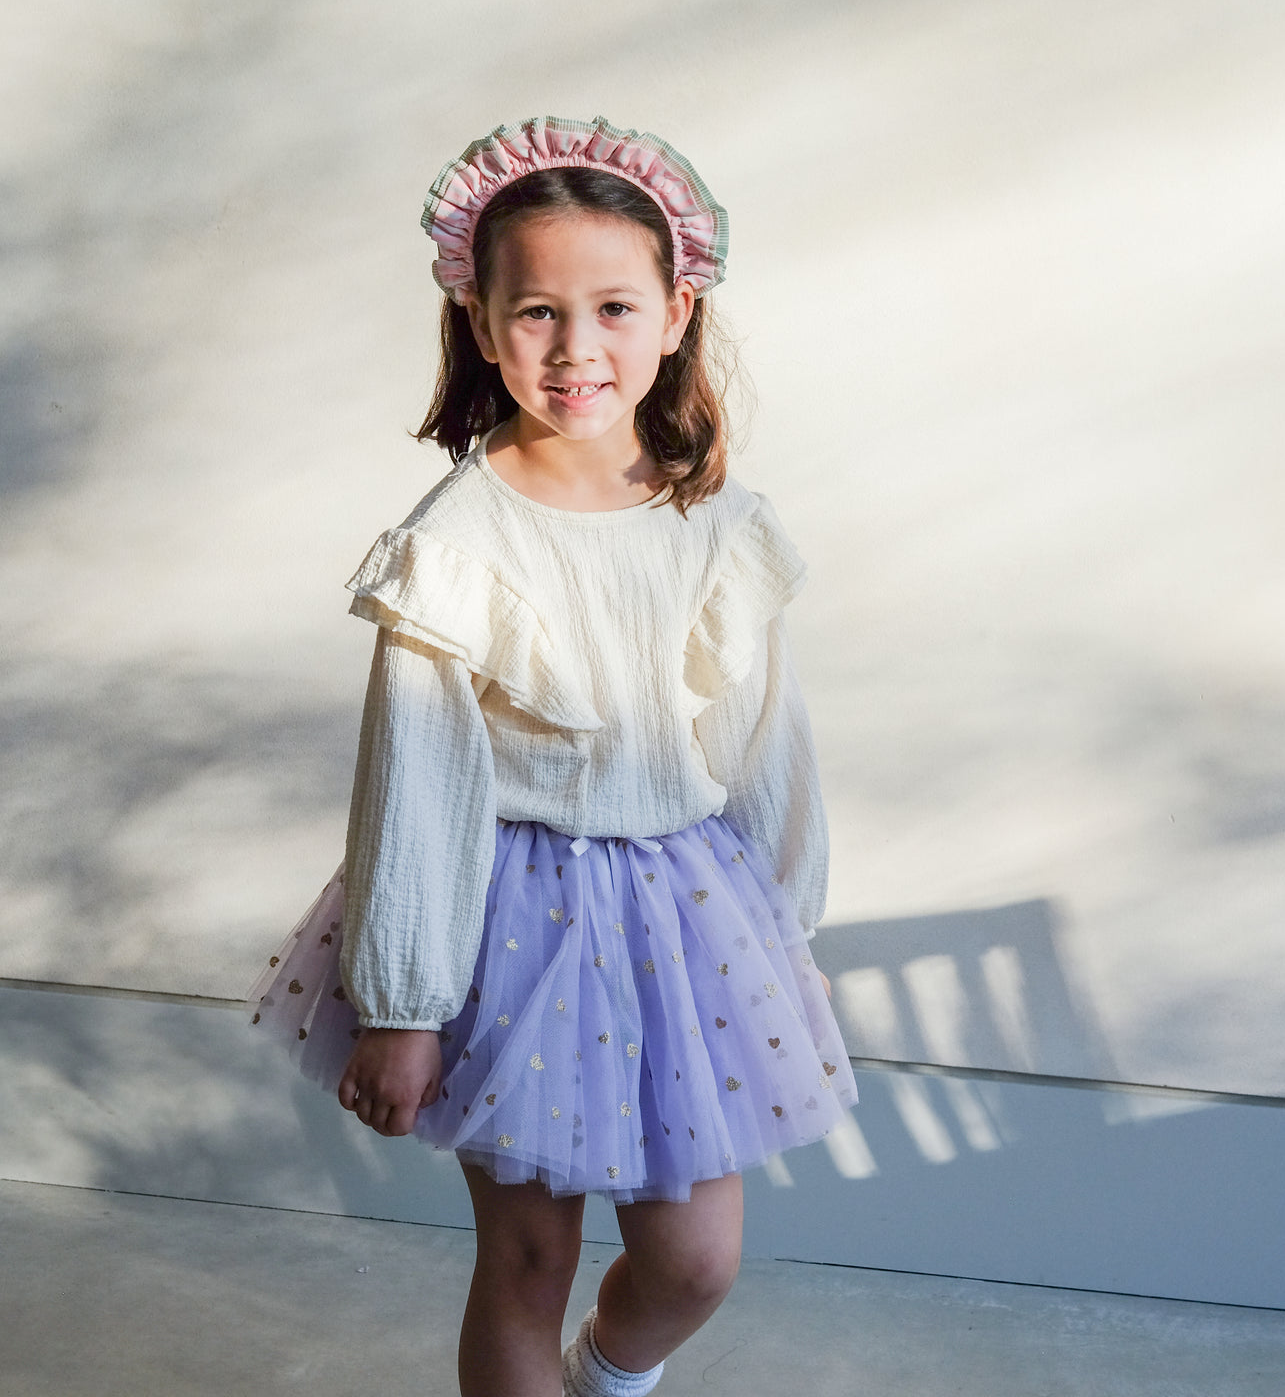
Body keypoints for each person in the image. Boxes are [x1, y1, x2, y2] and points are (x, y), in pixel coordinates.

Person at [248, 114, 857, 1397]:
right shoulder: (459, 537)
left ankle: (601, 1381)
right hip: (506, 914)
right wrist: (404, 1004)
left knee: (693, 1257)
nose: (576, 348)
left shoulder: (718, 523)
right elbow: (414, 779)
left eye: (614, 307)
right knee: (526, 1257)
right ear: (479, 321)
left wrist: (781, 931)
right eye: (535, 311)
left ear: (679, 310)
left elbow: (765, 737)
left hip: (685, 914)